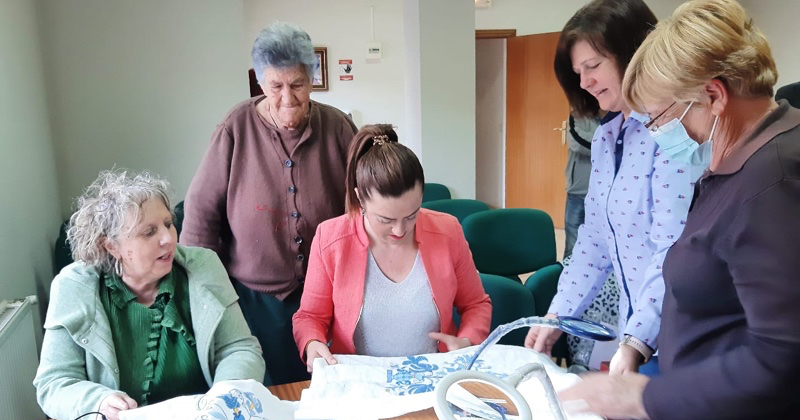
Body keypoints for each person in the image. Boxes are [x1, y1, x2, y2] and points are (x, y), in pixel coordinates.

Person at [561, 0, 800, 420]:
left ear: (713, 96)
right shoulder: (738, 162)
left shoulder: (773, 182)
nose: (657, 136)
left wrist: (646, 393)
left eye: (663, 119)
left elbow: (780, 355)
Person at [526, 0, 697, 377]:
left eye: (593, 66)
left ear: (634, 54)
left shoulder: (670, 129)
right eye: (577, 72)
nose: (584, 82)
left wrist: (637, 340)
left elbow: (673, 247)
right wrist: (559, 314)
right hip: (636, 330)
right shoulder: (608, 136)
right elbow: (595, 242)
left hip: (677, 334)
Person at [180, 22, 357, 386]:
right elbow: (200, 216)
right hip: (253, 300)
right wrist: (201, 296)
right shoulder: (235, 127)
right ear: (261, 83)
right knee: (266, 389)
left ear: (312, 78)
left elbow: (364, 205)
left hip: (328, 294)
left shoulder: (338, 127)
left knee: (325, 386)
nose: (287, 98)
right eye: (276, 86)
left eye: (298, 84)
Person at [34, 170, 265, 420]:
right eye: (149, 232)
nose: (168, 238)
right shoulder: (73, 286)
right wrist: (99, 404)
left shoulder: (203, 266)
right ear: (112, 246)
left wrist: (225, 397)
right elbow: (54, 383)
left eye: (168, 224)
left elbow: (239, 349)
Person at [292, 124, 492, 371]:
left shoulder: (447, 231)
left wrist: (468, 341)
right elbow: (310, 316)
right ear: (359, 198)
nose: (400, 230)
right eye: (385, 220)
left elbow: (476, 304)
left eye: (412, 215)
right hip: (362, 380)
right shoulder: (331, 238)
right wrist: (312, 342)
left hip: (434, 376)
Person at [563, 111, 601, 258]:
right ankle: (567, 278)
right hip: (579, 189)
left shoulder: (617, 115)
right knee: (573, 241)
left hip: (607, 193)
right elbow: (578, 143)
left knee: (602, 241)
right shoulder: (577, 115)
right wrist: (608, 140)